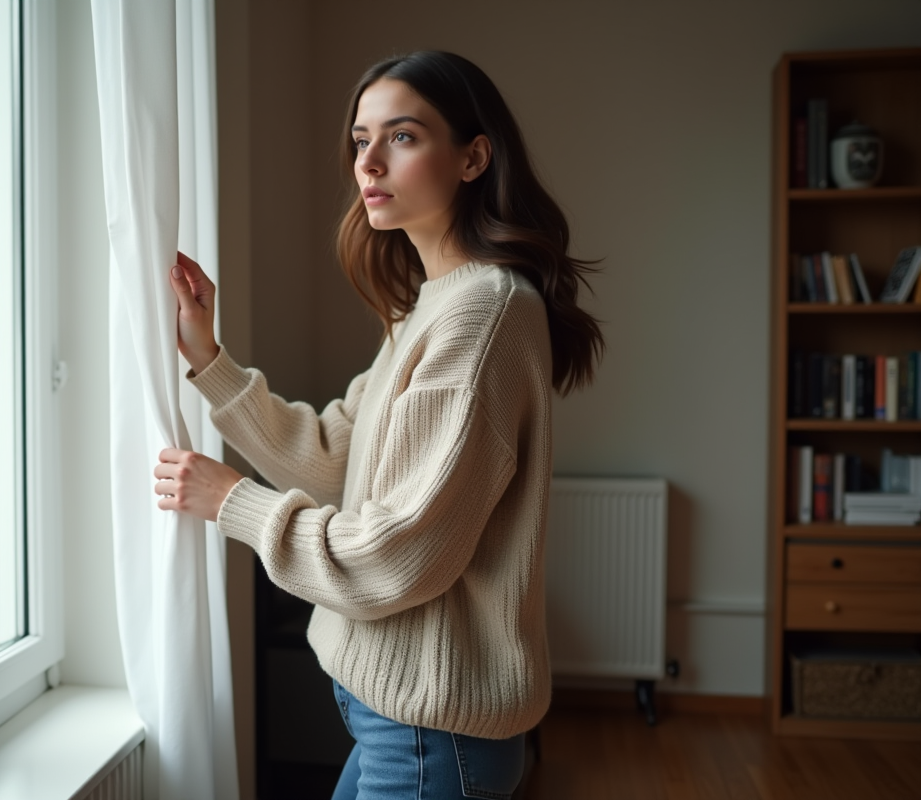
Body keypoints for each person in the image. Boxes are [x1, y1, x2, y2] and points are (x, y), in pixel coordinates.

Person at [152, 50, 603, 800]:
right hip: (397, 718)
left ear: (472, 158)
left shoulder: (482, 315)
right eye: (361, 140)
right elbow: (335, 456)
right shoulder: (430, 306)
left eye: (402, 136)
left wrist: (235, 503)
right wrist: (209, 359)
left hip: (430, 737)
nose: (370, 162)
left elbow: (396, 554)